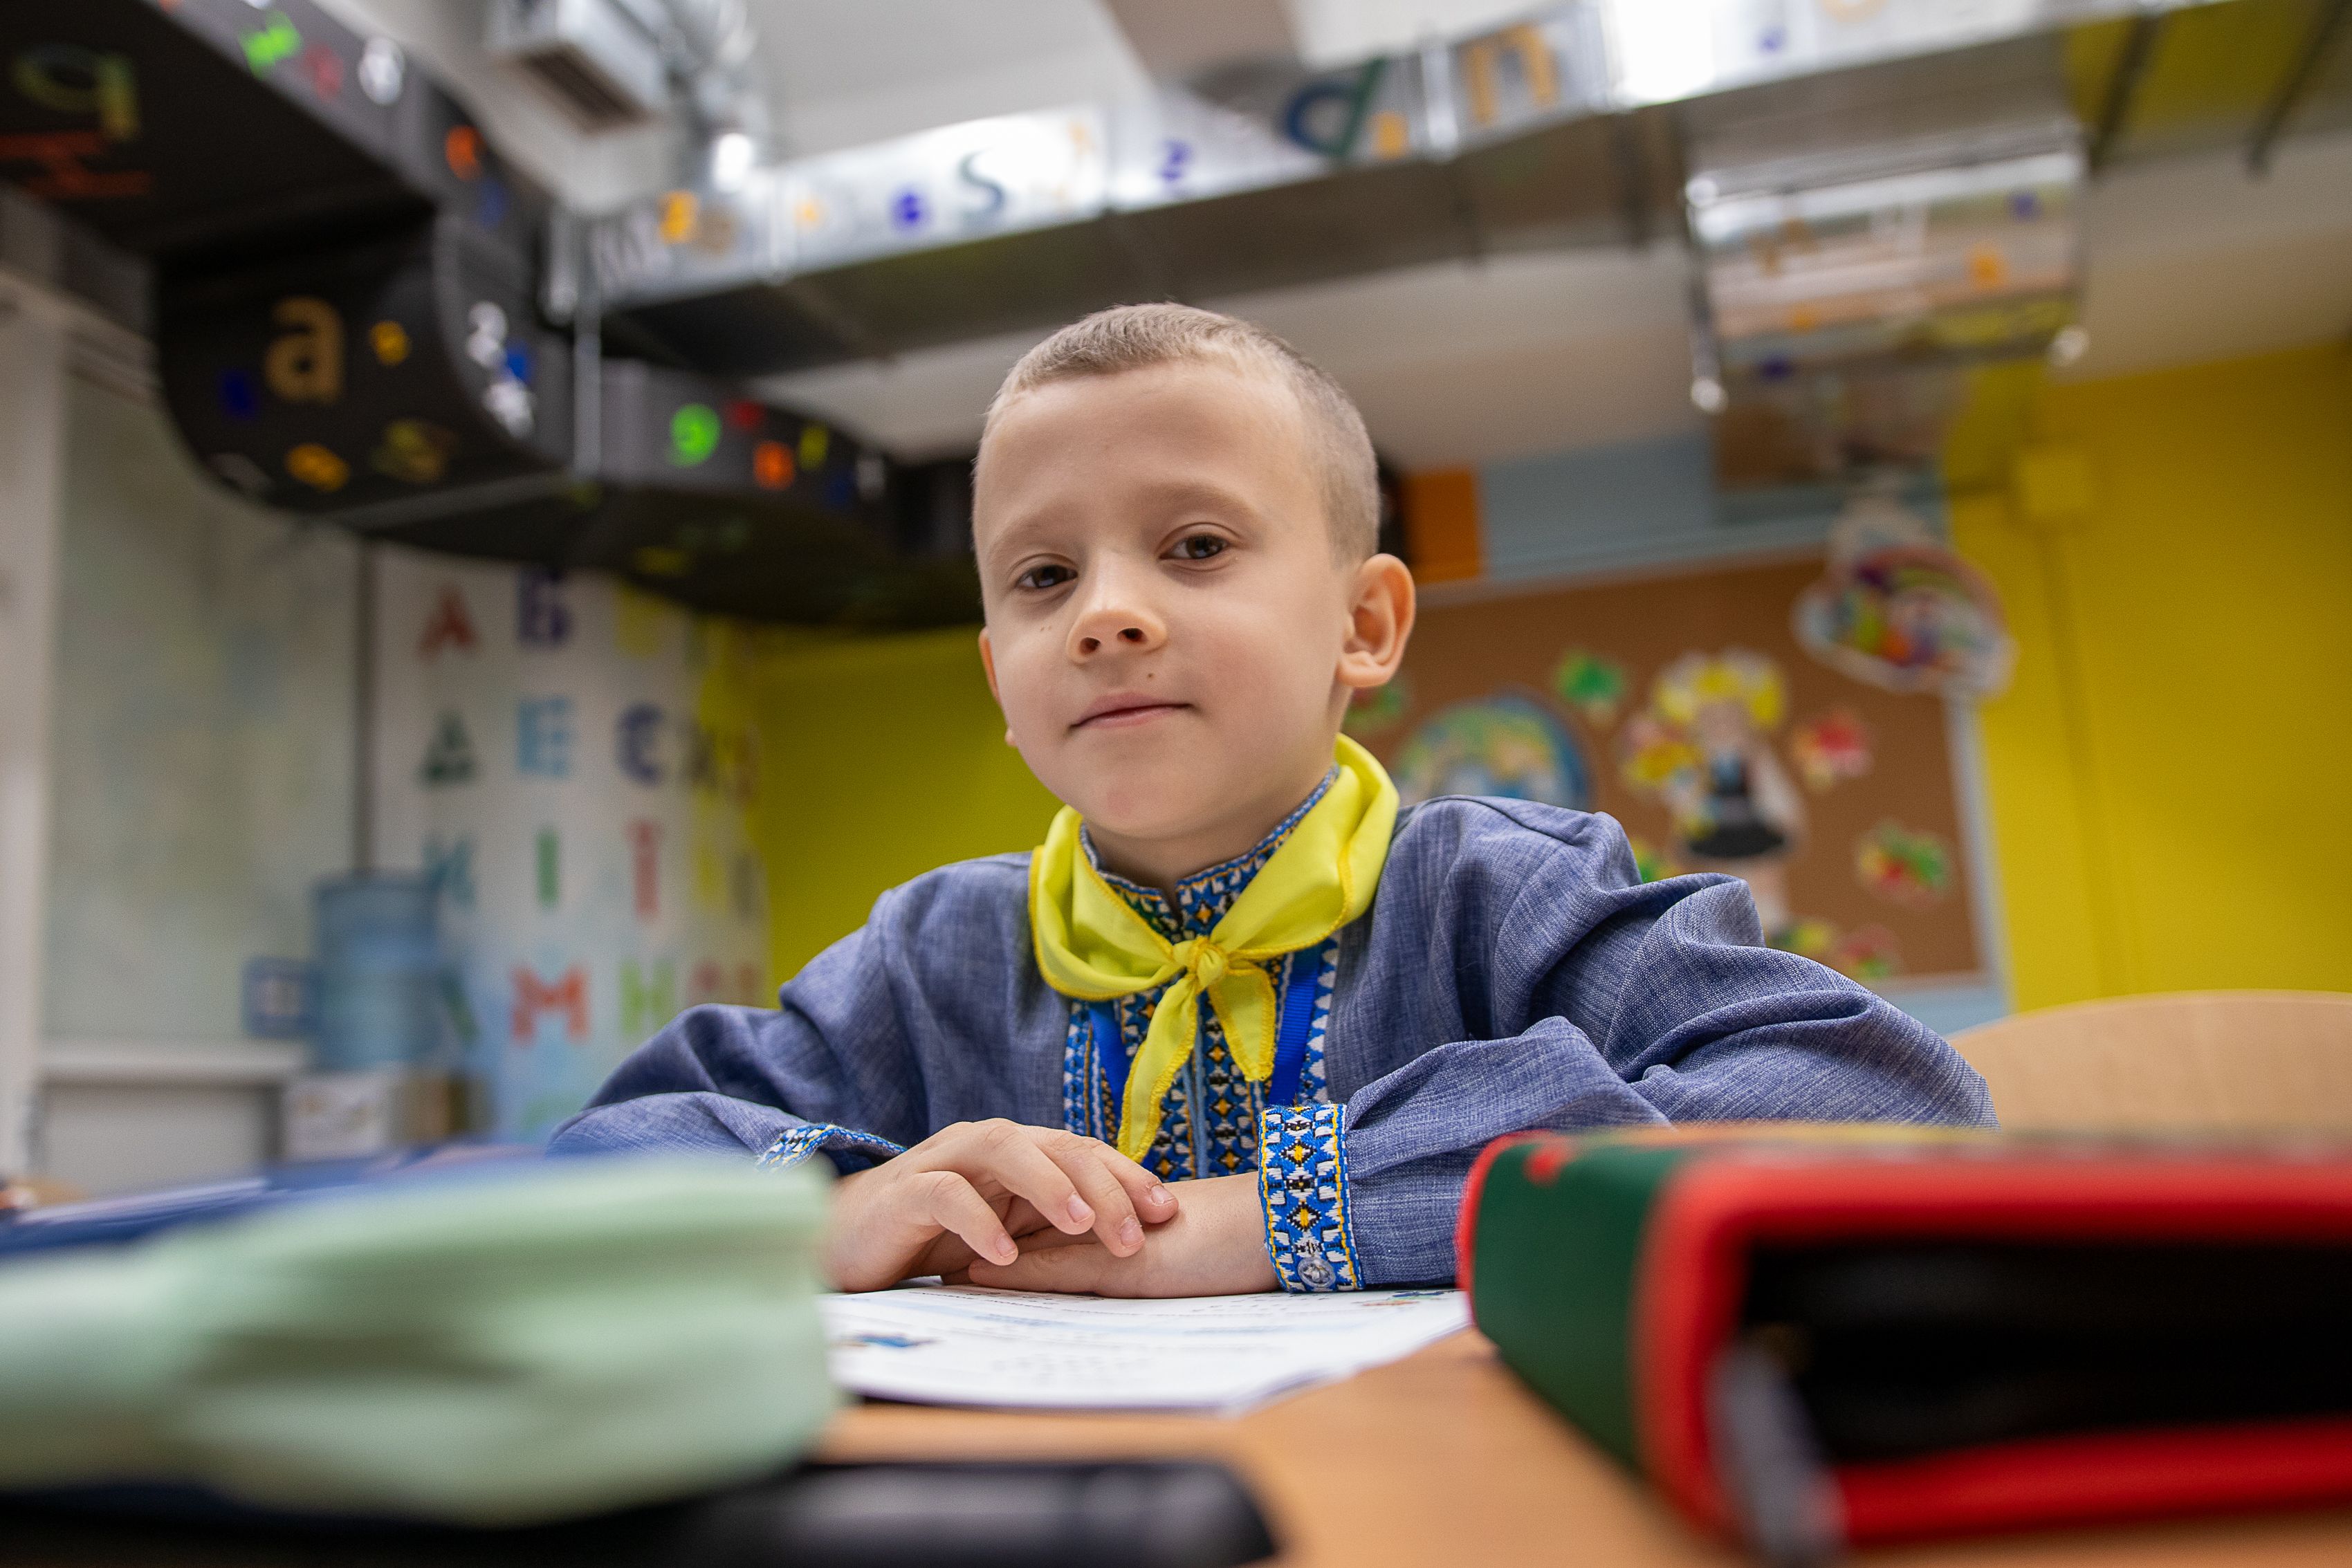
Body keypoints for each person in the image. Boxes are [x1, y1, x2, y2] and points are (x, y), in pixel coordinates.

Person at [551, 304, 1994, 1295]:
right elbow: (604, 1157)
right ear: (1001, 677)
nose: (1106, 614)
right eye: (1044, 576)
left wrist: (1279, 1218)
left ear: (1364, 626)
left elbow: (1885, 1092)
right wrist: (842, 1204)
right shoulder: (930, 958)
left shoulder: (1498, 893)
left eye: (1191, 545)